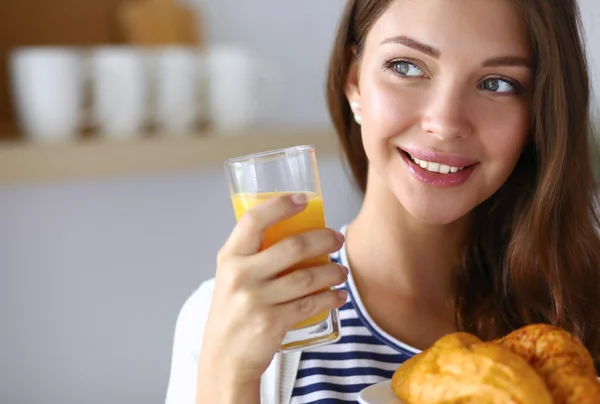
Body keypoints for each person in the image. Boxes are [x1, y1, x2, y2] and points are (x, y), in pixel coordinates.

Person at [165, 0, 600, 403]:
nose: (445, 123)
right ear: (354, 82)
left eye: (497, 83)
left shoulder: (583, 309)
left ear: (539, 112)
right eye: (407, 66)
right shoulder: (236, 318)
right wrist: (228, 379)